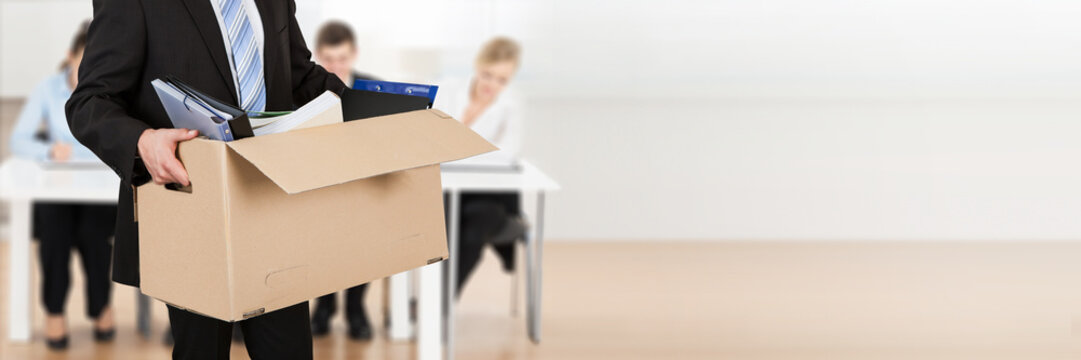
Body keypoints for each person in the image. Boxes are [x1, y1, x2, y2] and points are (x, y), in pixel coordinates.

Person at [65, 1, 347, 358]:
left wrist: (369, 107)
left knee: (289, 350)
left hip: (273, 204)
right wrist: (142, 141)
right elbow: (90, 101)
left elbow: (299, 74)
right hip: (191, 209)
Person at [8, 21, 117, 351]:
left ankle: (100, 307)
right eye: (82, 62)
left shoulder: (111, 90)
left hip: (98, 190)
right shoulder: (47, 89)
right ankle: (54, 311)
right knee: (54, 230)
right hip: (58, 186)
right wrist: (48, 150)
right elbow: (19, 140)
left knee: (93, 234)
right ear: (70, 57)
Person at [435, 37, 529, 294]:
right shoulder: (448, 90)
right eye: (488, 75)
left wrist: (455, 151)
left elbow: (507, 154)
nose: (493, 85)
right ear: (477, 66)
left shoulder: (511, 104)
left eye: (502, 80)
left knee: (474, 225)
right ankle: (431, 307)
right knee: (437, 223)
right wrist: (479, 152)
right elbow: (431, 140)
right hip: (445, 190)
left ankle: (440, 306)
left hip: (491, 196)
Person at [308, 20, 376, 340]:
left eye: (342, 58)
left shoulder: (373, 90)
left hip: (363, 185)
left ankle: (355, 307)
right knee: (319, 234)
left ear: (355, 54)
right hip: (320, 184)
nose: (336, 66)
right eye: (328, 59)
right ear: (317, 56)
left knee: (365, 234)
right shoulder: (306, 90)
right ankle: (324, 305)